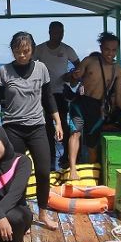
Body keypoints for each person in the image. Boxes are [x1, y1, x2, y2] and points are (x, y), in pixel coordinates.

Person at [0, 31, 64, 230]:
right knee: (15, 175)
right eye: (18, 51)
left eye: (26, 51)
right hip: (12, 129)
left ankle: (43, 213)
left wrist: (58, 122)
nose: (22, 55)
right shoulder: (3, 71)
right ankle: (19, 213)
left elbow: (48, 98)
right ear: (12, 51)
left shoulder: (41, 68)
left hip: (38, 128)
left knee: (44, 172)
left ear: (32, 50)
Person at [63, 32, 121, 181]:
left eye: (114, 50)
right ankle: (72, 170)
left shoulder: (119, 71)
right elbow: (73, 82)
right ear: (101, 48)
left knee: (92, 147)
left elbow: (120, 100)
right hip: (80, 103)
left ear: (118, 50)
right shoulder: (89, 61)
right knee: (75, 133)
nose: (110, 53)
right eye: (107, 49)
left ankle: (93, 174)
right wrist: (74, 77)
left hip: (98, 109)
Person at [32, 21, 80, 168]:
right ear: (50, 32)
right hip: (44, 93)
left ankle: (66, 155)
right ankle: (50, 155)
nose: (59, 35)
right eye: (56, 32)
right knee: (47, 124)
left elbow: (80, 66)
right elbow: (28, 64)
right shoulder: (40, 49)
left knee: (63, 124)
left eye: (61, 32)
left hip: (61, 92)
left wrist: (71, 74)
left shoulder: (67, 49)